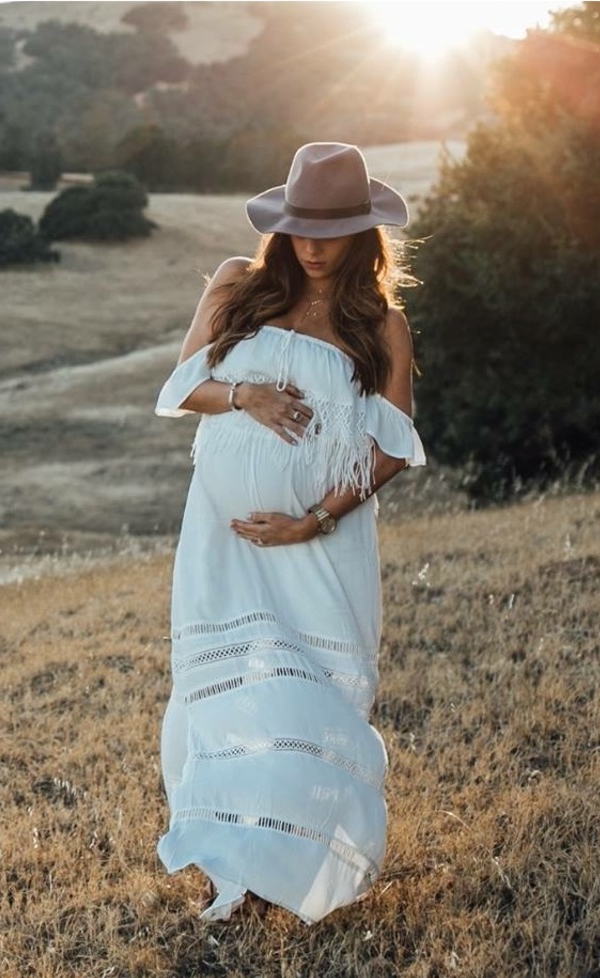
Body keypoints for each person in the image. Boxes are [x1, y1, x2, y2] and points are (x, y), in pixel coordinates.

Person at [153, 141, 426, 924]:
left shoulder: (381, 325)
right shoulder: (240, 283)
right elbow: (182, 387)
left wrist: (313, 520)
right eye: (300, 226)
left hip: (320, 547)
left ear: (364, 234)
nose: (311, 244)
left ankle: (291, 865)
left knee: (310, 704)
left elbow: (393, 449)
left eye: (331, 229)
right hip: (222, 538)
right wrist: (245, 397)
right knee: (226, 697)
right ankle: (234, 873)